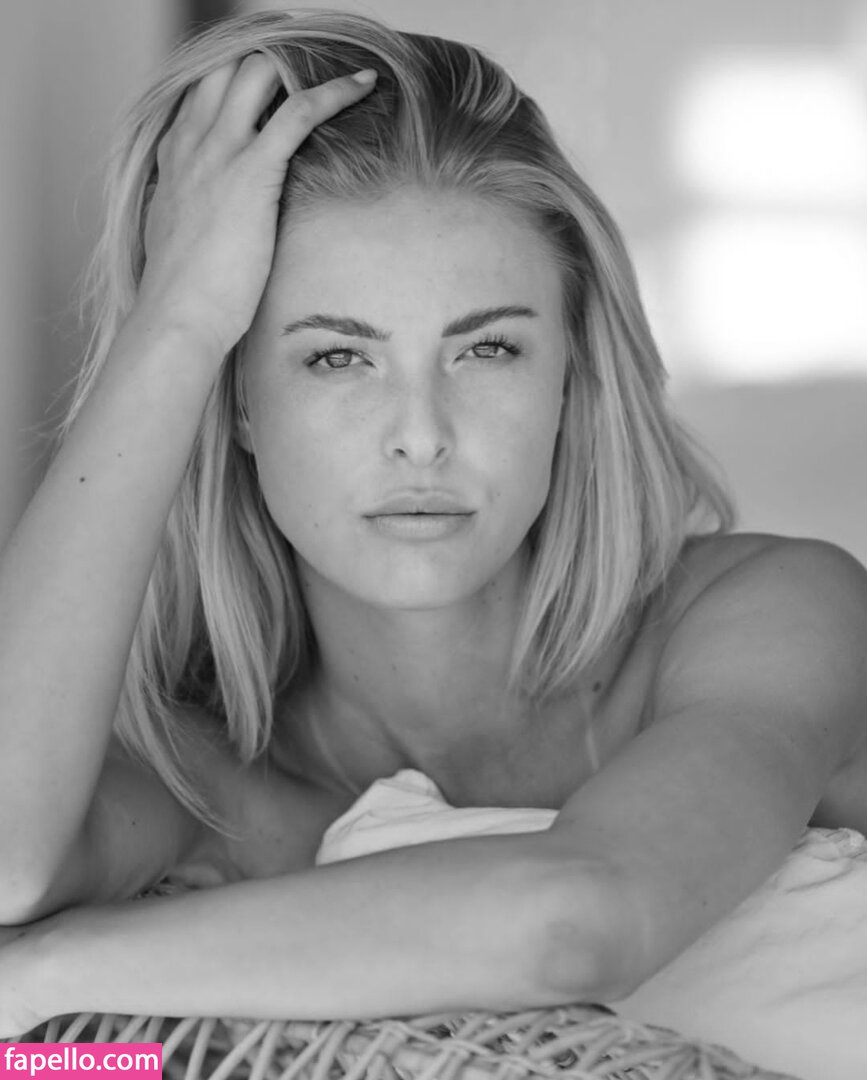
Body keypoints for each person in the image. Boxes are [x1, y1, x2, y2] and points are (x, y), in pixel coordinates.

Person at [1, 7, 866, 1037]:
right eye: (336, 357)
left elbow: (579, 924)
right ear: (233, 402)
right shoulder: (209, 781)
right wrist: (175, 322)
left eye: (487, 350)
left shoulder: (775, 614)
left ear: (570, 377)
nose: (421, 436)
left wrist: (40, 973)